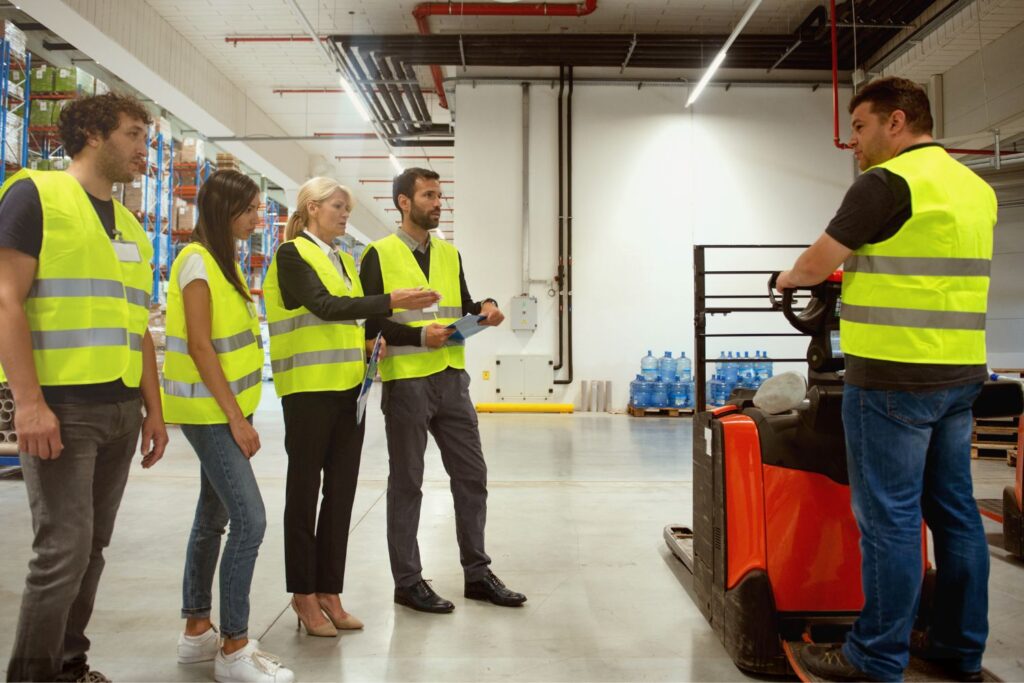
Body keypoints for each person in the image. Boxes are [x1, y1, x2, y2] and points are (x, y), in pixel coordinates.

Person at [776, 77, 996, 682]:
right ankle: (958, 647)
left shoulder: (886, 183)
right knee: (955, 513)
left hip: (893, 379)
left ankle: (875, 656)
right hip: (958, 374)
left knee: (891, 518)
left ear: (897, 122)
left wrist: (788, 278)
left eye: (862, 128)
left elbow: (821, 261)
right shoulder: (975, 188)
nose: (855, 142)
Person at [0, 93, 168, 683]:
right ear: (94, 135)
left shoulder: (127, 223)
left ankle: (70, 665)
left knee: (91, 546)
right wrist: (29, 404)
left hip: (120, 408)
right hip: (63, 408)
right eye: (133, 136)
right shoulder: (36, 195)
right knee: (61, 553)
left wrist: (153, 408)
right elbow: (5, 301)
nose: (143, 150)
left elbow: (139, 325)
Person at [263, 177, 440, 636]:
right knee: (303, 496)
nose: (345, 214)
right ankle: (303, 596)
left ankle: (330, 594)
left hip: (349, 392)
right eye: (338, 206)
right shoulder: (291, 255)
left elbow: (353, 316)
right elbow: (324, 306)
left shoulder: (343, 259)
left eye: (348, 208)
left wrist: (372, 340)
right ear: (312, 207)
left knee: (340, 495)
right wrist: (390, 300)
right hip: (306, 391)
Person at [359, 167, 527, 613]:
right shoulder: (377, 254)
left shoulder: (450, 254)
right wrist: (418, 338)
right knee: (408, 482)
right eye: (429, 195)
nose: (438, 203)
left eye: (439, 195)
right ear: (403, 202)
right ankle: (407, 581)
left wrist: (485, 309)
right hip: (408, 382)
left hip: (453, 379)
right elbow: (371, 322)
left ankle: (477, 574)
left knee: (472, 477)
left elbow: (463, 304)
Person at [162, 170, 293, 683]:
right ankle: (234, 647)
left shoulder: (224, 261)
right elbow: (199, 345)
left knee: (212, 517)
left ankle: (197, 632)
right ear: (225, 210)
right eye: (251, 209)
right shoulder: (196, 260)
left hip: (227, 409)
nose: (258, 218)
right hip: (213, 414)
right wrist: (237, 420)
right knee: (251, 520)